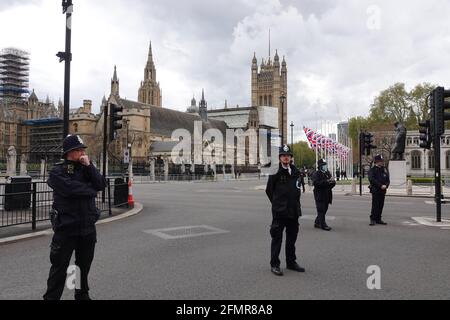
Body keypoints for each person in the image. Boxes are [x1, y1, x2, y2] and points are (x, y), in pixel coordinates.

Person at [43, 135, 106, 300]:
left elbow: (100, 184)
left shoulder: (86, 168)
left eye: (83, 149)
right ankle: (51, 298)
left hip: (86, 227)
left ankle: (81, 295)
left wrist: (90, 166)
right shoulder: (57, 171)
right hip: (66, 227)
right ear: (69, 152)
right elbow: (70, 189)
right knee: (59, 267)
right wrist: (90, 190)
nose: (82, 152)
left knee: (82, 267)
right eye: (79, 150)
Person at [266, 145, 305, 276]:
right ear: (280, 158)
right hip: (280, 211)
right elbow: (269, 191)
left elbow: (298, 188)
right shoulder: (275, 172)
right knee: (277, 238)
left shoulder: (295, 171)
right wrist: (277, 203)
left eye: (288, 155)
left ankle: (291, 262)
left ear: (291, 158)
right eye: (283, 155)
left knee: (291, 238)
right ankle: (275, 264)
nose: (286, 157)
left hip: (293, 210)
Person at [311, 159, 336, 231]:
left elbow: (331, 184)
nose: (325, 166)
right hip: (319, 194)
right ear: (320, 166)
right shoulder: (316, 174)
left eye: (325, 165)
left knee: (325, 209)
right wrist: (327, 181)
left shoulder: (327, 173)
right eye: (323, 165)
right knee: (321, 209)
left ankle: (317, 222)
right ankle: (323, 224)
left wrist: (332, 182)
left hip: (327, 194)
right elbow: (316, 183)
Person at [368, 154, 390, 226]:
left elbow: (387, 179)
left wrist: (386, 185)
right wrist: (380, 185)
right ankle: (373, 219)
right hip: (376, 190)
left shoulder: (384, 169)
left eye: (382, 161)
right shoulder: (372, 170)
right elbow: (372, 179)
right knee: (375, 205)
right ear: (376, 162)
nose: (381, 162)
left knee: (381, 205)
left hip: (383, 190)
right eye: (380, 161)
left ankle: (378, 218)